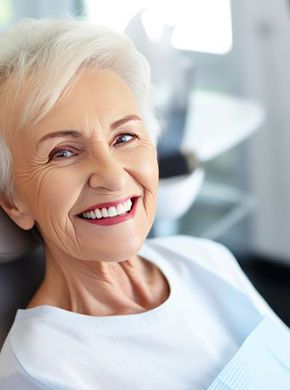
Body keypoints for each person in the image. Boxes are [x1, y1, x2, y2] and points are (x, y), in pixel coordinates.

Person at [0, 18, 289, 390]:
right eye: (63, 152)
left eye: (124, 137)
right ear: (13, 202)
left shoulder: (207, 260)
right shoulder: (39, 373)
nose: (114, 176)